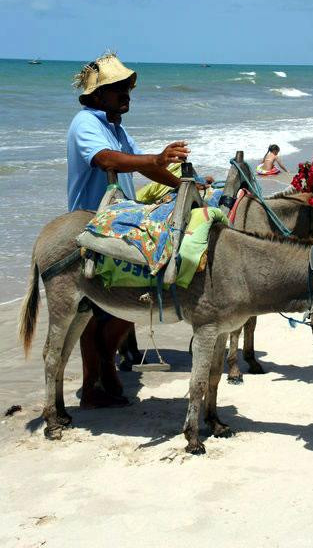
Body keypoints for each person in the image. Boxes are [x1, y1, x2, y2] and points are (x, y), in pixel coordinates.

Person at [67, 52, 189, 408]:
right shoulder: (85, 123)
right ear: (98, 95)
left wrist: (184, 187)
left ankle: (107, 366)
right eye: (118, 88)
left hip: (119, 220)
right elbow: (107, 160)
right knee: (92, 312)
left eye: (126, 88)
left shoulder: (115, 127)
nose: (126, 94)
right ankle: (91, 387)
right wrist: (156, 159)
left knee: (128, 301)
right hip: (92, 221)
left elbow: (145, 166)